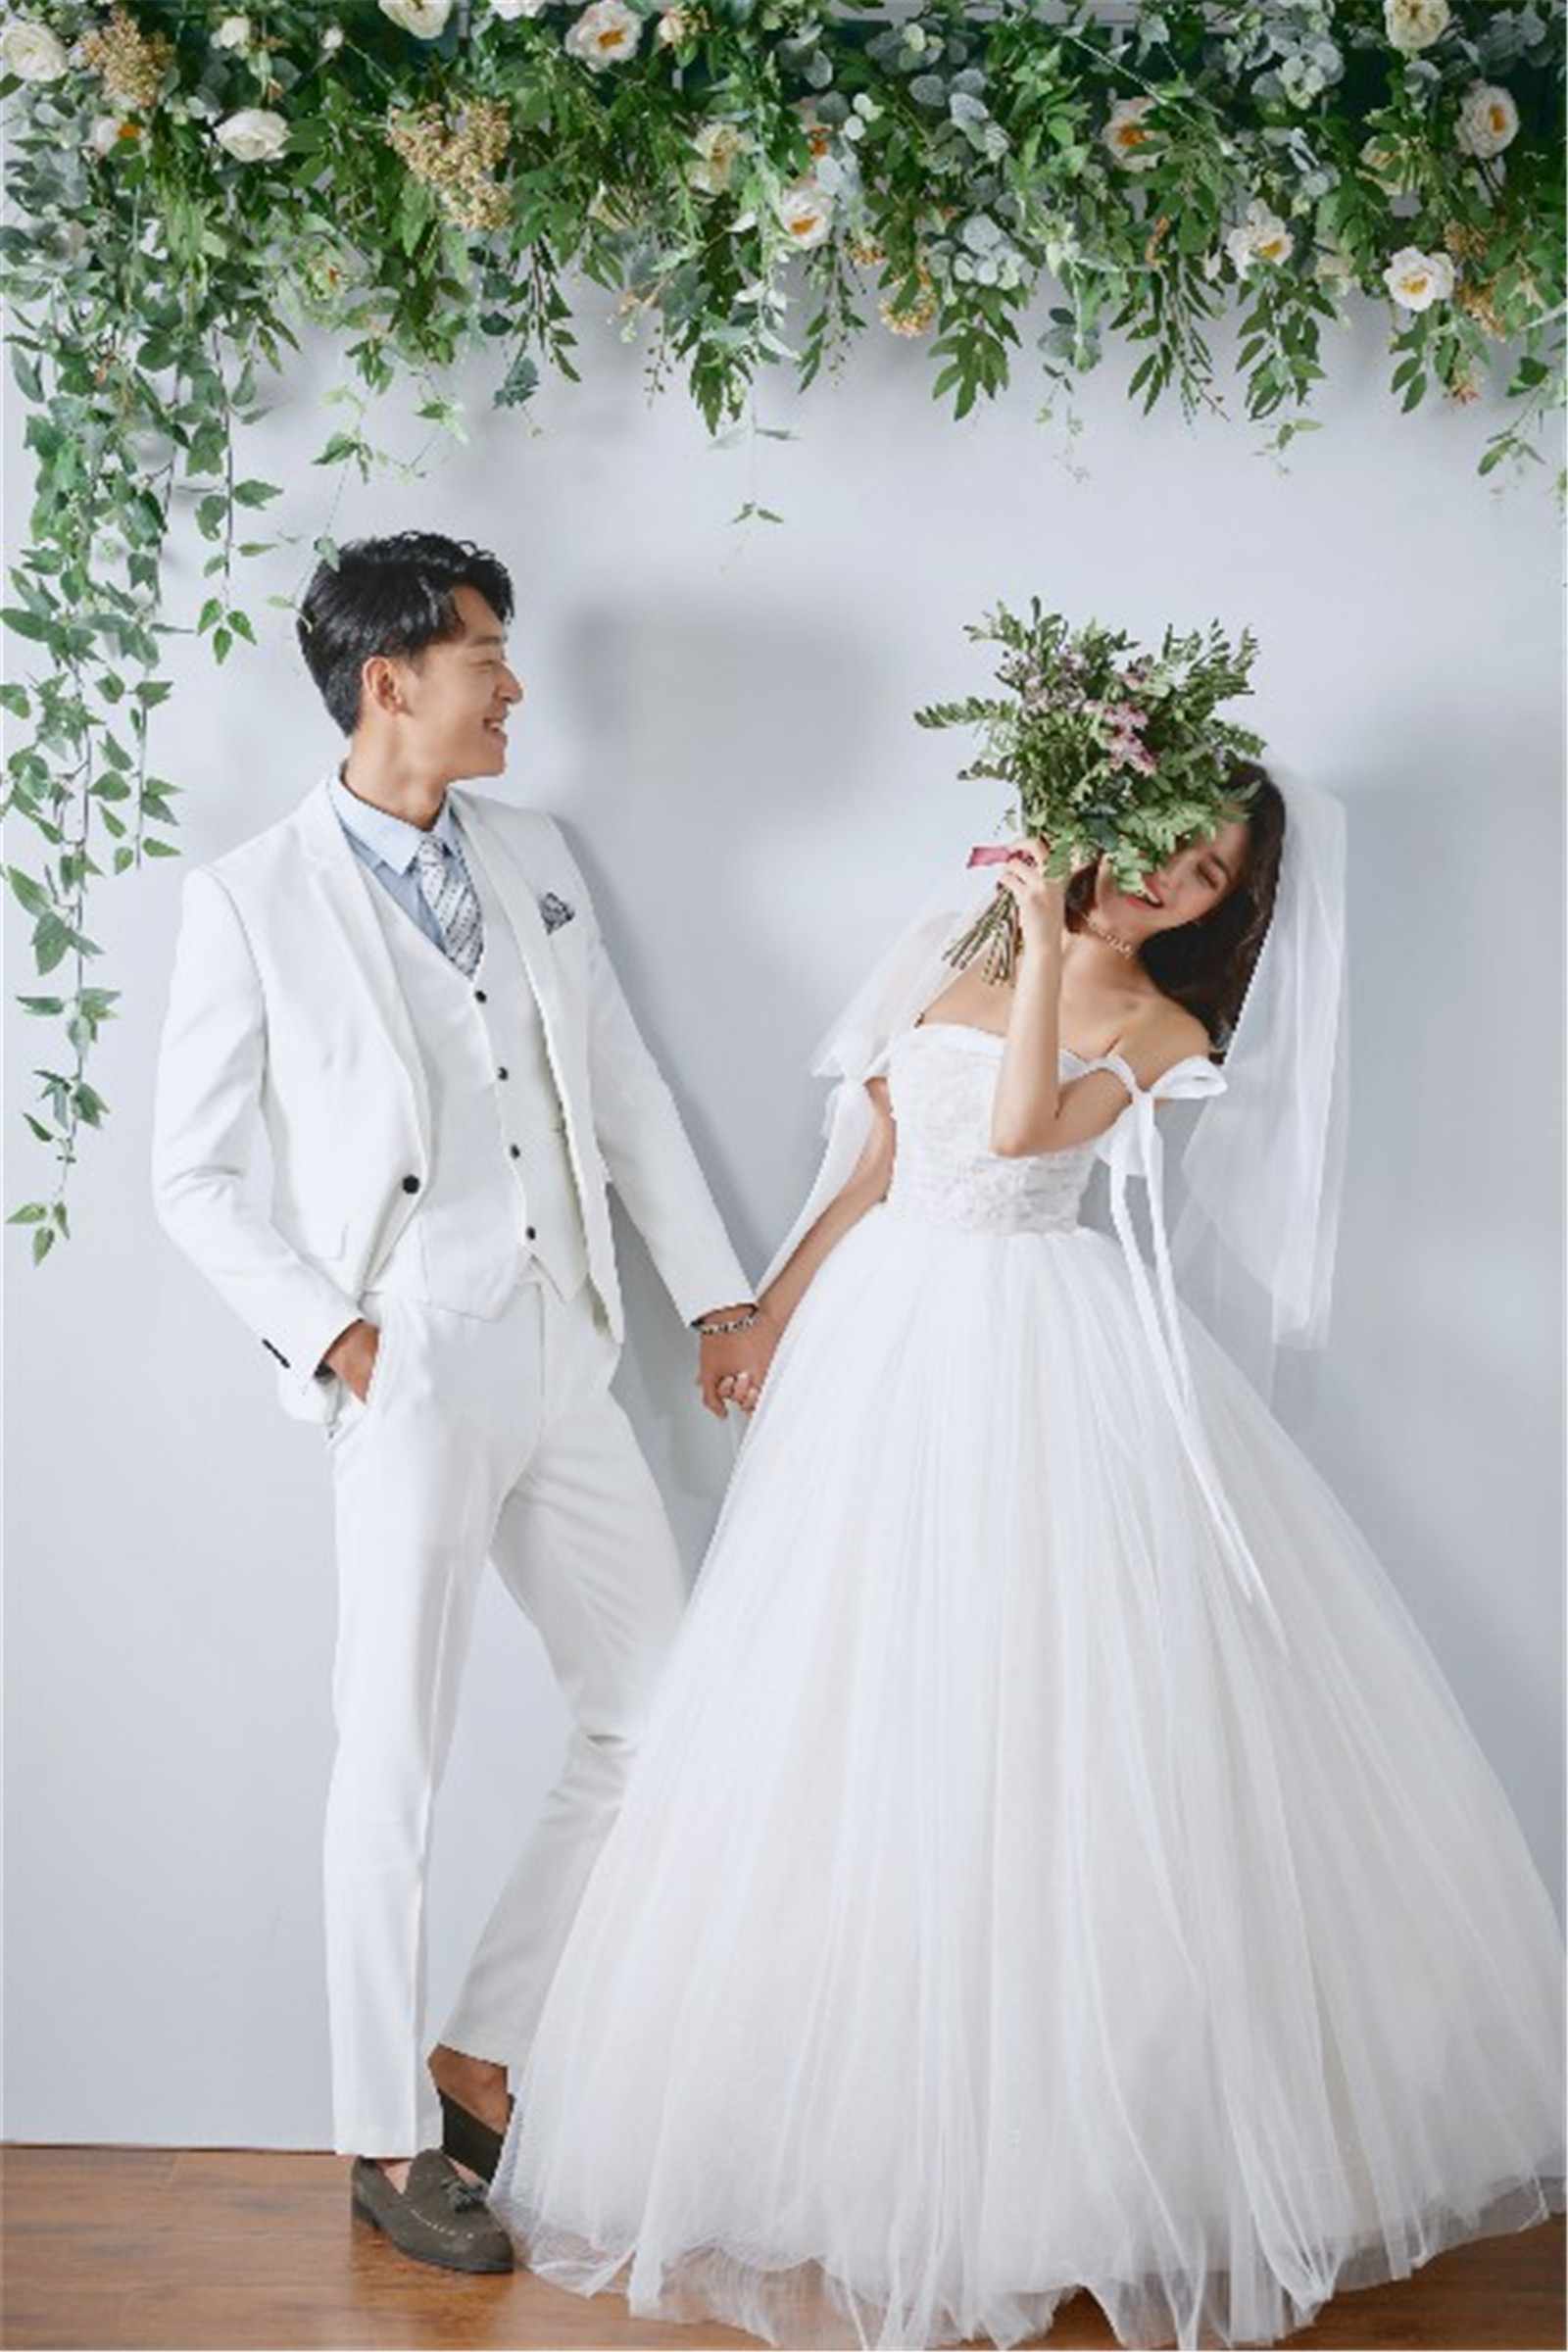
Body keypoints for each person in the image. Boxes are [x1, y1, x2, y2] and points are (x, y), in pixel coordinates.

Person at [489, 774, 1565, 2348]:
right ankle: (868, 2153)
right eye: (1171, 842)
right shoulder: (963, 943)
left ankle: (1075, 2184)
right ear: (1114, 821)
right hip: (883, 1342)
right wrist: (767, 1311)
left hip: (1042, 1354)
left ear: (1225, 913)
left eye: (1211, 877)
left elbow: (1014, 1132)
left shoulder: (1165, 1029)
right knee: (856, 1710)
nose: (1175, 880)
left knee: (1051, 1722)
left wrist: (1055, 940)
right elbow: (878, 1154)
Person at [151, 531, 775, 2274]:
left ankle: (477, 2054)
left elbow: (624, 1091)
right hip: (411, 1355)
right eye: (485, 655)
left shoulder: (536, 856)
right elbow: (191, 1175)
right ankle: (379, 2136)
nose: (513, 686)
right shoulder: (248, 899)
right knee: (395, 1756)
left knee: (658, 1715)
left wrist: (717, 1294)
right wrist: (338, 1339)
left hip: (565, 1344)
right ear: (390, 681)